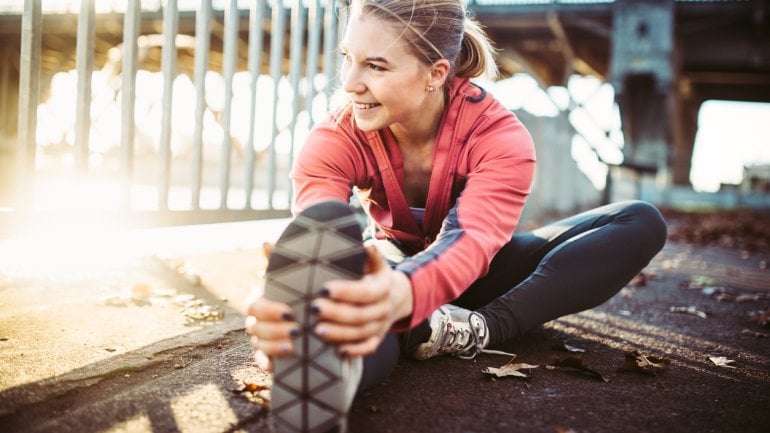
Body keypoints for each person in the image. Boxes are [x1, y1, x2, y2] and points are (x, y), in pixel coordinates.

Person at [243, 0, 668, 432]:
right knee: (359, 303)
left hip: (481, 276)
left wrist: (407, 293)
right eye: (347, 59)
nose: (350, 83)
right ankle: (336, 366)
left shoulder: (499, 136)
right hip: (390, 264)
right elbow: (319, 230)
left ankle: (473, 329)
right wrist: (299, 310)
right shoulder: (336, 135)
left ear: (435, 74)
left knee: (639, 220)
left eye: (376, 66)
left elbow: (473, 239)